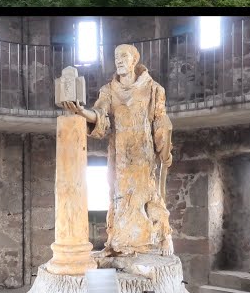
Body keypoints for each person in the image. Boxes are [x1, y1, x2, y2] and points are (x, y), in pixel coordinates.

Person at [64, 44, 173, 256]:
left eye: (124, 56)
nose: (119, 60)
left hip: (143, 155)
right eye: (116, 57)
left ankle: (157, 238)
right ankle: (121, 245)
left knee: (147, 196)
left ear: (134, 60)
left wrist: (165, 152)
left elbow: (160, 121)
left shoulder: (153, 89)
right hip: (120, 155)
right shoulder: (108, 91)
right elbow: (100, 115)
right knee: (120, 197)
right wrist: (82, 112)